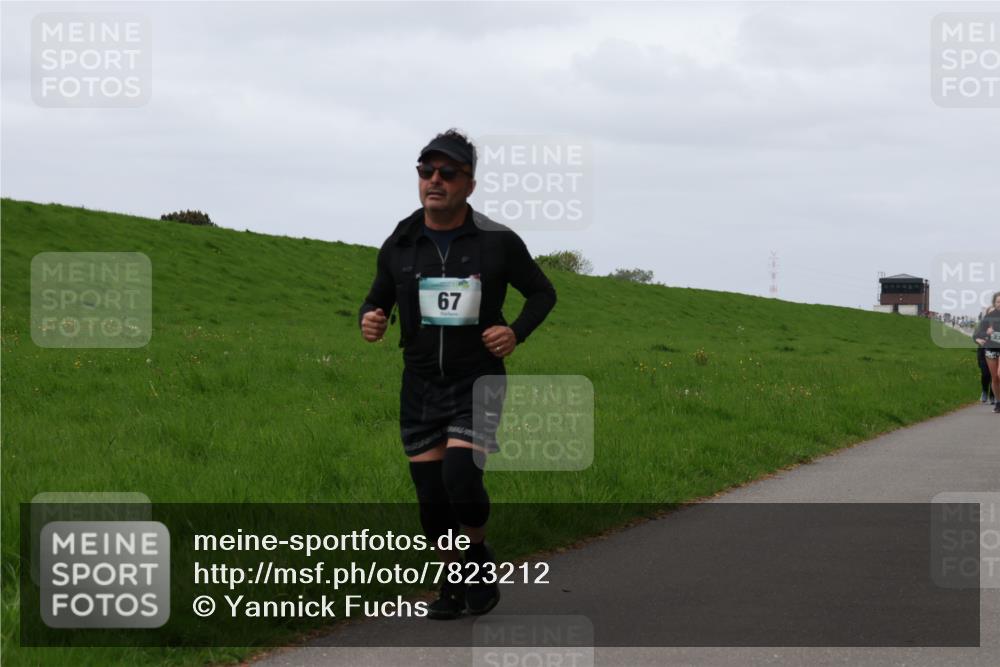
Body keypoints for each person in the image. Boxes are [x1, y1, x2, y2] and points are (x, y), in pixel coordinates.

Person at [358, 129, 557, 618]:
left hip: (477, 379)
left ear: (469, 184)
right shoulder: (401, 242)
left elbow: (543, 293)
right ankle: (454, 580)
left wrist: (515, 333)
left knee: (461, 479)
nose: (435, 180)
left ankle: (476, 557)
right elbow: (376, 298)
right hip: (421, 383)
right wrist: (370, 319)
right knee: (431, 499)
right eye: (426, 171)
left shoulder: (497, 242)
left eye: (448, 172)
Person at [973, 292, 1000, 413]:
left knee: (999, 374)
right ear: (994, 303)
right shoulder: (989, 317)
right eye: (998, 301)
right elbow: (979, 333)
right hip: (991, 349)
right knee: (995, 378)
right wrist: (986, 333)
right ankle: (998, 402)